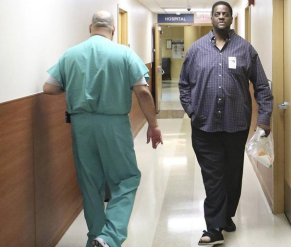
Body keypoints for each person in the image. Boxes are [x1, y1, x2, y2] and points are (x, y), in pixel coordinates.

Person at [43, 11, 162, 247]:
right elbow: (143, 92)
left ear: (90, 27)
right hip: (113, 123)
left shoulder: (71, 54)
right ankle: (108, 238)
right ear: (113, 30)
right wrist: (153, 124)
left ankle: (96, 237)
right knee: (126, 179)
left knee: (90, 183)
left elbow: (49, 88)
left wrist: (74, 86)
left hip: (80, 124)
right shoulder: (125, 53)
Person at [179, 1, 273, 245]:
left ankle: (226, 215)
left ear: (231, 19)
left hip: (235, 125)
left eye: (225, 14)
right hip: (204, 126)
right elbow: (184, 85)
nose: (221, 17)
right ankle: (213, 228)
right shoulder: (196, 49)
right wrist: (191, 111)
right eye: (217, 14)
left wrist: (264, 119)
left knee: (233, 174)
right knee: (213, 176)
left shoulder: (245, 50)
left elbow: (262, 85)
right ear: (211, 18)